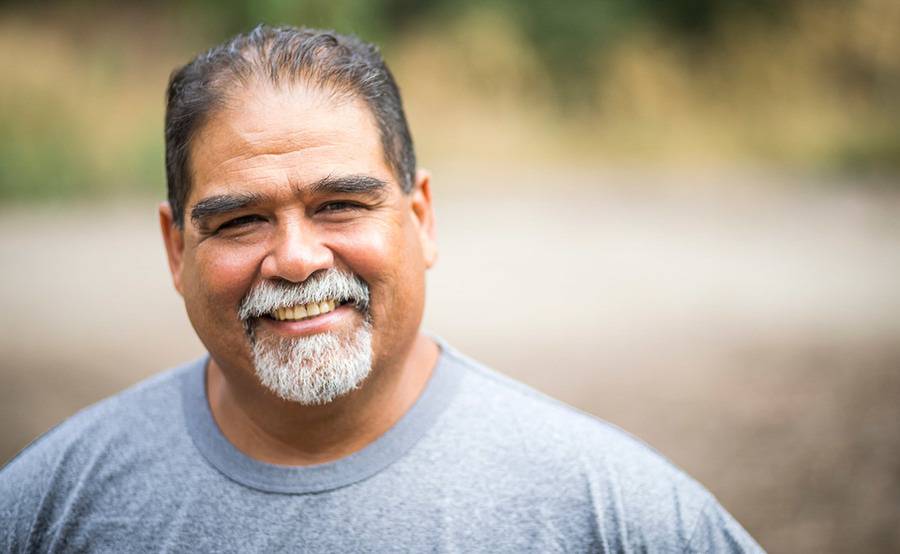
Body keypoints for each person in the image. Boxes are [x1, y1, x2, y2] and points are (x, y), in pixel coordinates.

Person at [1, 25, 763, 552]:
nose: (296, 259)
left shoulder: (608, 508)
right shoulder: (52, 507)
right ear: (176, 249)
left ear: (421, 219)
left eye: (339, 205)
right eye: (240, 221)